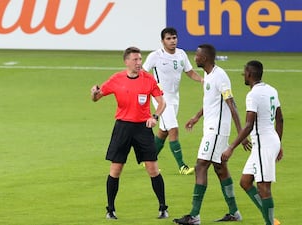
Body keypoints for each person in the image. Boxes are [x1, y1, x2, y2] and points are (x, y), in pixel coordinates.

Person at [173, 44, 251, 225]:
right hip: (212, 128)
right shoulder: (208, 76)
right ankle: (234, 213)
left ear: (205, 58)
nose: (195, 58)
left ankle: (194, 216)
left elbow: (232, 104)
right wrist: (196, 117)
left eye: (197, 56)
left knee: (200, 166)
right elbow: (211, 102)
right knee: (220, 168)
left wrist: (241, 134)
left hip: (216, 131)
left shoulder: (220, 76)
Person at [90, 47, 168, 220]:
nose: (139, 63)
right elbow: (97, 97)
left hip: (143, 128)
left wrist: (155, 116)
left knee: (153, 169)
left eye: (140, 59)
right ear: (126, 62)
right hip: (123, 128)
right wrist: (94, 94)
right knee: (116, 169)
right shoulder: (116, 79)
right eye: (135, 60)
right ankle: (110, 209)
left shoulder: (148, 79)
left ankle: (163, 207)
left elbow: (162, 102)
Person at [221, 60, 283, 225]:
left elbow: (249, 125)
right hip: (268, 141)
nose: (243, 75)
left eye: (244, 72)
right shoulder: (272, 90)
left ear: (249, 74)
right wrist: (279, 143)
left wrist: (231, 147)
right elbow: (280, 119)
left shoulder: (253, 95)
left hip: (264, 143)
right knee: (246, 182)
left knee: (264, 187)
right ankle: (269, 218)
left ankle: (269, 223)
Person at [143, 27, 203, 175]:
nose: (172, 41)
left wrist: (201, 79)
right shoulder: (155, 56)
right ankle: (182, 166)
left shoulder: (181, 54)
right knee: (173, 129)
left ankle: (148, 160)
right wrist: (151, 88)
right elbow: (143, 73)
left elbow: (189, 71)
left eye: (174, 38)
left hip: (175, 98)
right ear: (162, 41)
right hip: (161, 99)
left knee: (163, 132)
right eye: (169, 38)